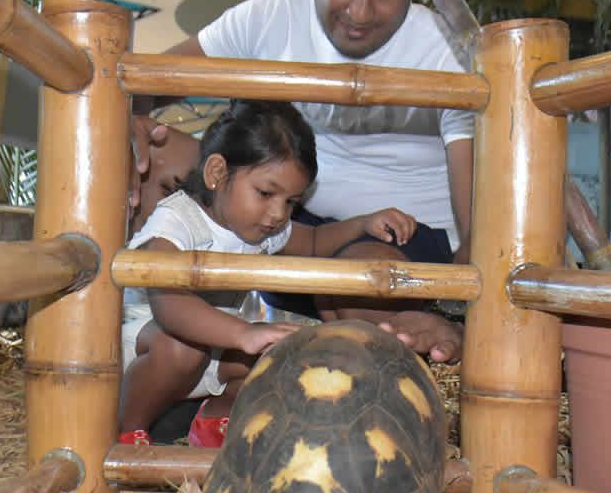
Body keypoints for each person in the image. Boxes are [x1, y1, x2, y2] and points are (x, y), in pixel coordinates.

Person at [131, 0, 468, 363]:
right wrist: (131, 119)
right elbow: (141, 86)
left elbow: (474, 207)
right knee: (154, 150)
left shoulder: (444, 50)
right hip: (282, 224)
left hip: (396, 245)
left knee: (358, 280)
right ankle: (162, 328)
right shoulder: (268, 19)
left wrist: (460, 305)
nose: (359, 10)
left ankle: (395, 323)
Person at [119, 100, 417, 447]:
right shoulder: (177, 220)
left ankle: (214, 420)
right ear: (217, 173)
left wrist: (362, 224)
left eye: (291, 201)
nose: (278, 213)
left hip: (215, 347)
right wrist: (243, 333)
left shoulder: (264, 229)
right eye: (265, 193)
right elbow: (169, 304)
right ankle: (127, 428)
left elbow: (314, 241)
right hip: (147, 344)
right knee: (183, 348)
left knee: (279, 354)